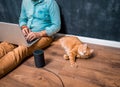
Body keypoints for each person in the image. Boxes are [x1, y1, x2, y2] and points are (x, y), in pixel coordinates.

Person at [0, 0, 61, 78]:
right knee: (6, 44)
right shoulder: (25, 1)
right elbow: (22, 19)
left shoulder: (51, 3)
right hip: (26, 33)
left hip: (44, 36)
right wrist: (24, 27)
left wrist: (39, 34)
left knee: (22, 49)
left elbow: (56, 26)